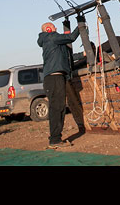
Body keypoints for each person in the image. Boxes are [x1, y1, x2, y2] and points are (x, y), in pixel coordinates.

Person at [37, 21, 80, 149]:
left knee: (57, 107)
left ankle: (55, 137)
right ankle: (55, 139)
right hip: (54, 78)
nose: (56, 29)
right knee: (57, 108)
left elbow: (66, 54)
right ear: (49, 29)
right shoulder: (51, 37)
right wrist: (81, 26)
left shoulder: (52, 41)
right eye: (54, 27)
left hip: (56, 78)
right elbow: (71, 37)